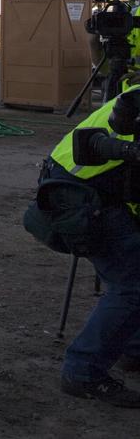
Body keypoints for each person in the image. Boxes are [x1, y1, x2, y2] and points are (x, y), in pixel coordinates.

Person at [40, 89, 140, 406]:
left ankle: (133, 351)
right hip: (82, 194)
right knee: (132, 284)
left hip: (82, 182)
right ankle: (83, 372)